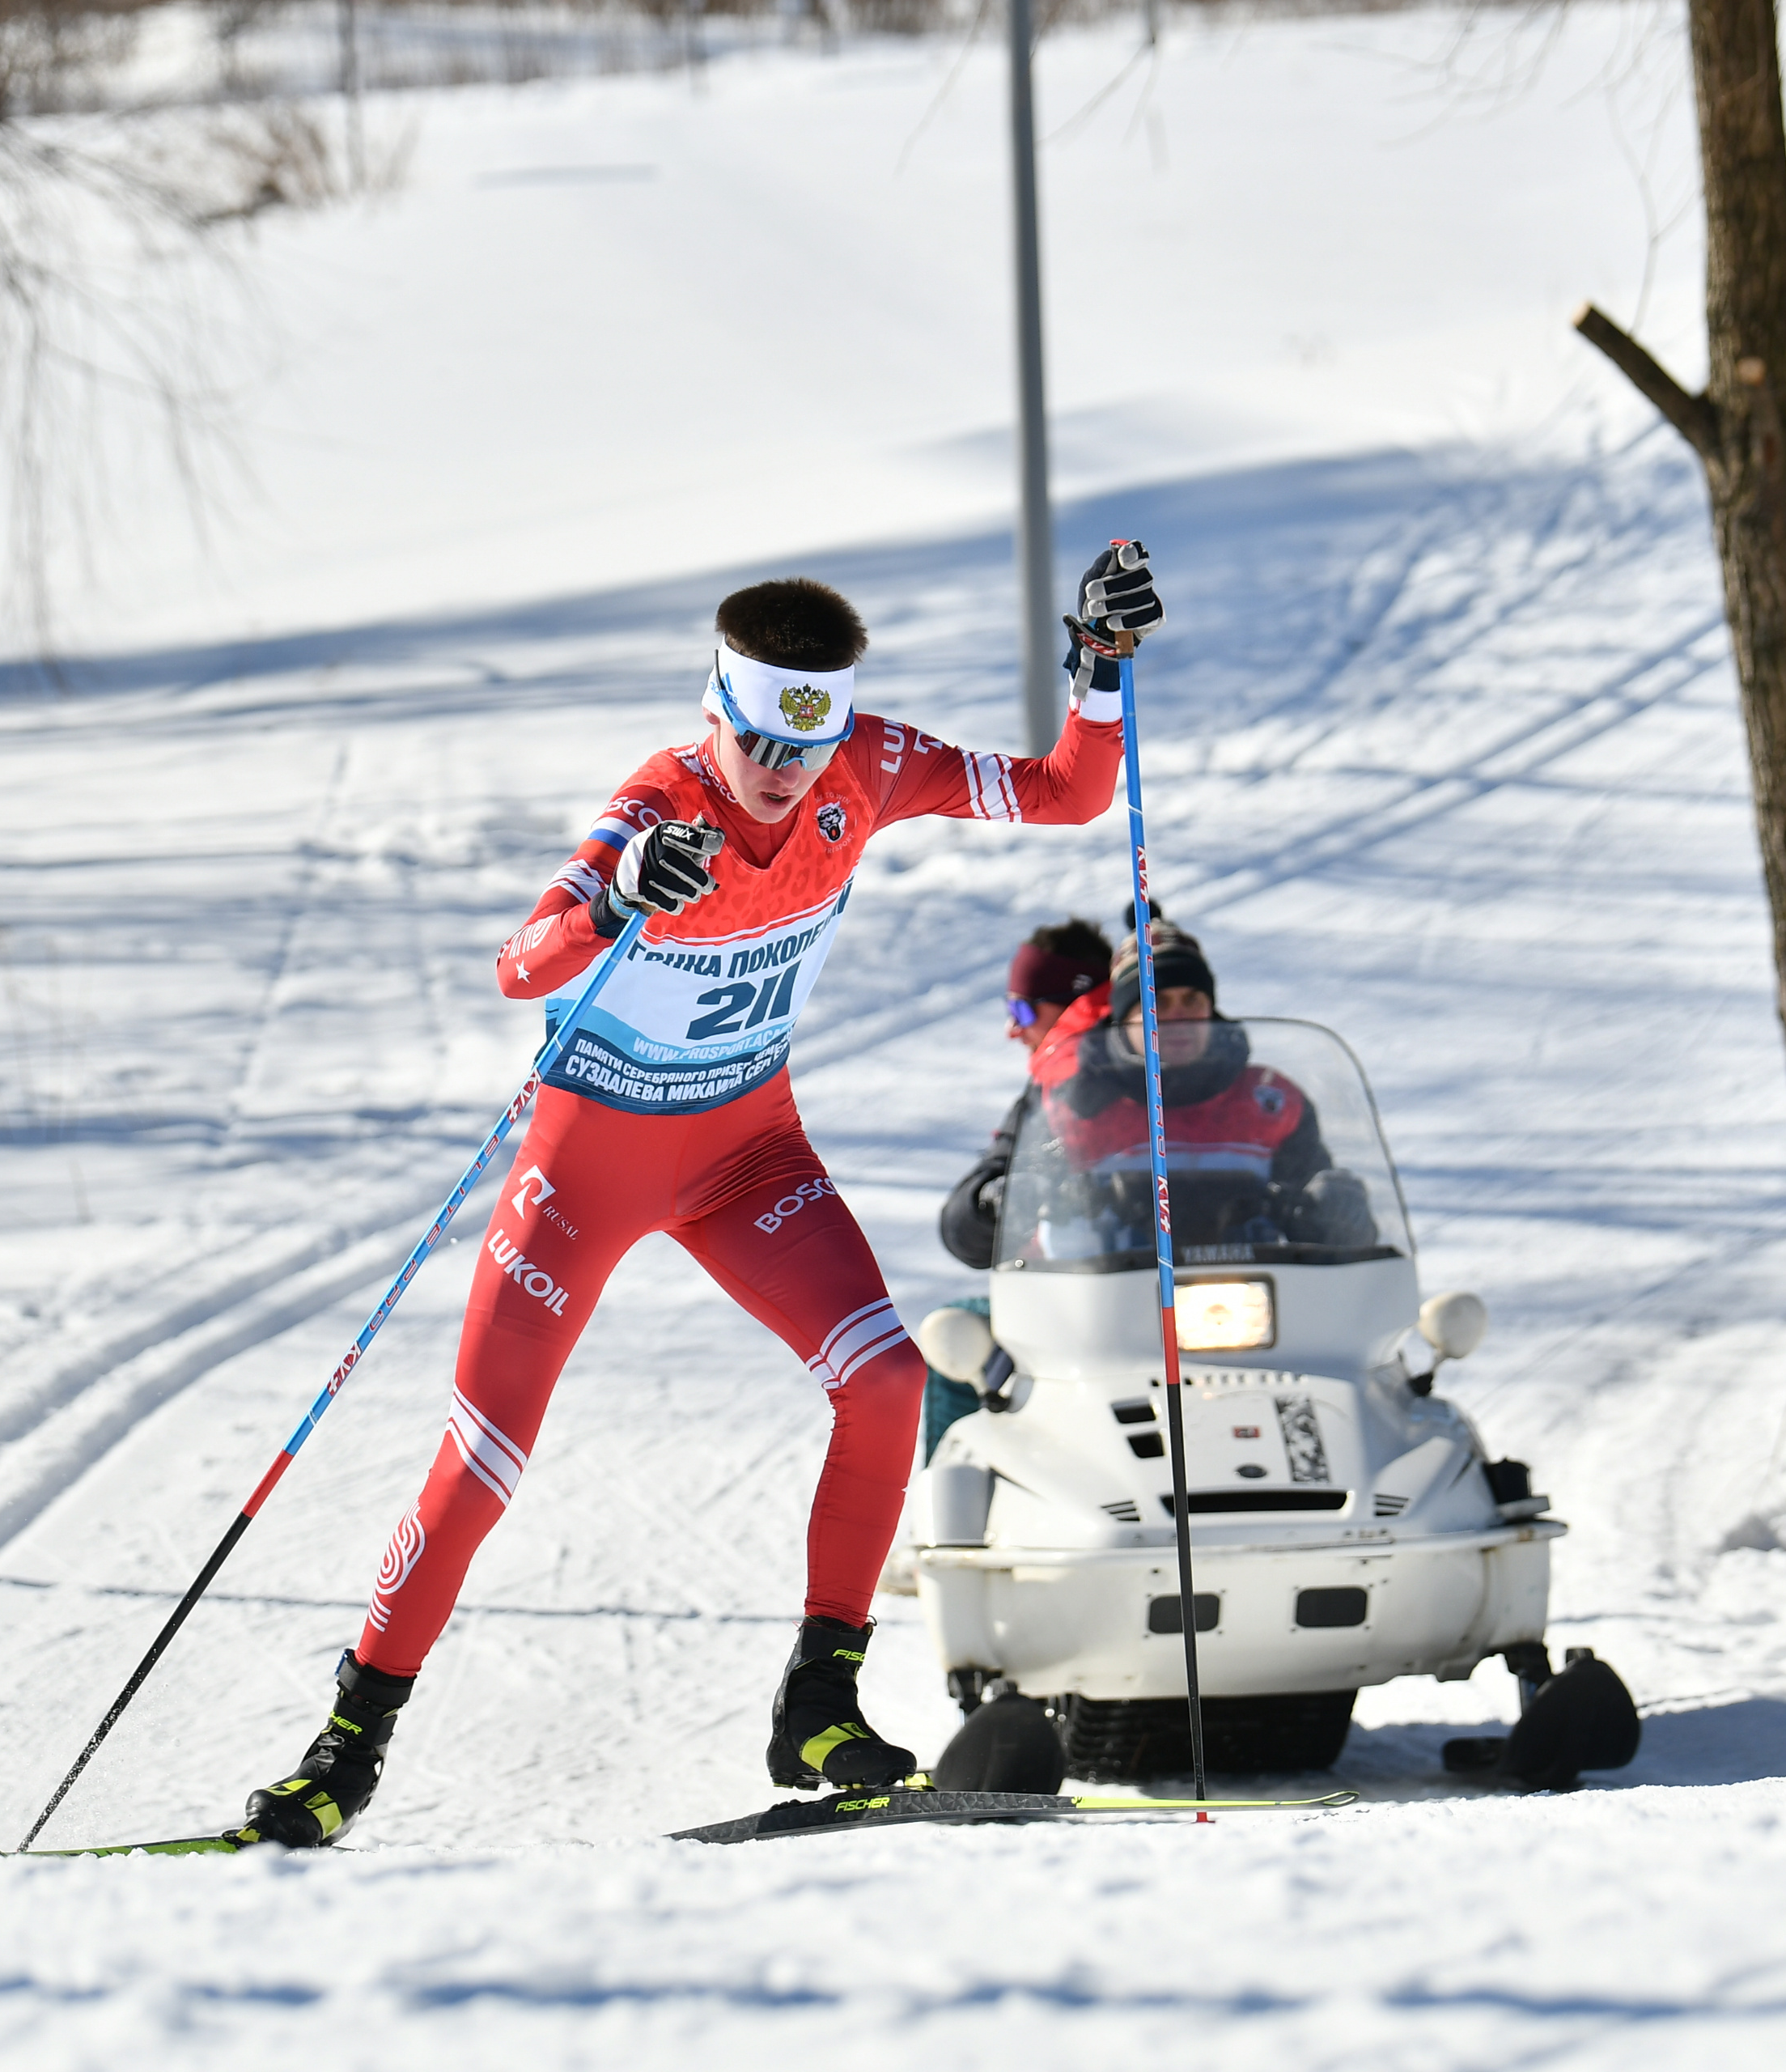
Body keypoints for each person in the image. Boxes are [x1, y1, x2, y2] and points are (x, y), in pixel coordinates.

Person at [237, 545, 1168, 1845]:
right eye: (756, 746)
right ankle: (347, 1748)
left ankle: (820, 1701)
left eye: (806, 750)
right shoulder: (658, 810)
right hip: (587, 1171)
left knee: (890, 1380)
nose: (783, 777)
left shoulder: (871, 768)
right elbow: (518, 967)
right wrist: (614, 896)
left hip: (746, 1156)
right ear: (715, 714)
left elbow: (1068, 796)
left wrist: (1101, 671)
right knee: (487, 1457)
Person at [1021, 916, 1375, 1255]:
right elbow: (977, 1226)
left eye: (1193, 1000)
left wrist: (1341, 1211)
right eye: (1157, 1002)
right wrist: (995, 1201)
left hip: (1254, 1302)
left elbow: (1322, 1219)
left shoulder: (1270, 1103)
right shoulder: (1067, 1105)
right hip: (1103, 1304)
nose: (1179, 1017)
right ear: (1123, 1017)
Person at [936, 919, 1115, 1274]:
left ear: (1076, 1005)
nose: (1013, 1030)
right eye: (1011, 1010)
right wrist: (995, 1200)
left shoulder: (1158, 1066)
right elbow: (961, 1233)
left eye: (1023, 1010)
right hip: (1074, 1295)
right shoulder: (1043, 1095)